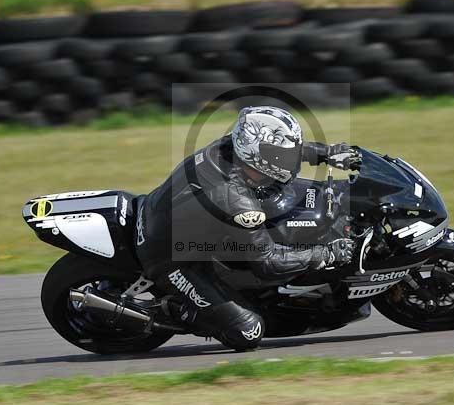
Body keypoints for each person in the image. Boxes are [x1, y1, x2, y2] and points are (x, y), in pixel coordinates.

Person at [134, 106, 361, 350]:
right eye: (281, 157)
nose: (289, 161)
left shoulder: (232, 147)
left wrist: (327, 153)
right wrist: (324, 254)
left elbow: (278, 151)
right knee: (249, 332)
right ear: (256, 155)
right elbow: (268, 263)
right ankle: (178, 310)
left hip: (167, 215)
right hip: (171, 258)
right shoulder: (237, 200)